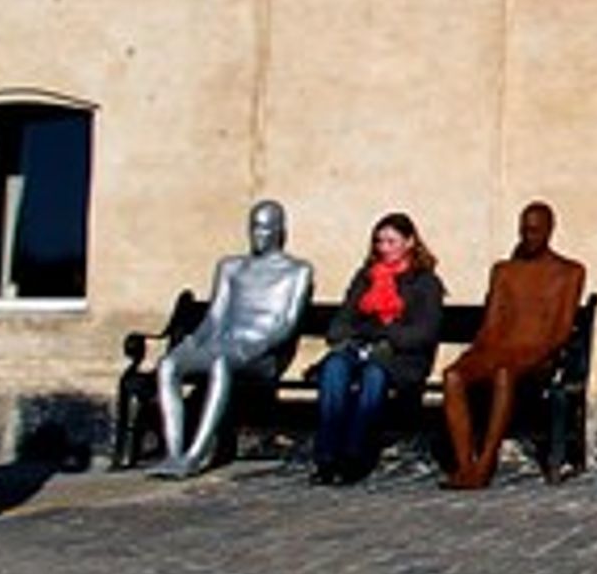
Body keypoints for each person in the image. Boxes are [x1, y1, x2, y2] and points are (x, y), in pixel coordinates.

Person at [147, 200, 315, 478]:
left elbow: (287, 324)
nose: (258, 235)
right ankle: (173, 452)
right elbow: (215, 316)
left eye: (265, 228)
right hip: (223, 345)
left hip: (263, 355)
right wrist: (192, 342)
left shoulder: (297, 271)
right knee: (168, 364)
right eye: (254, 227)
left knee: (220, 363)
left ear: (279, 230)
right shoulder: (231, 267)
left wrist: (254, 347)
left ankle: (195, 455)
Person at [439, 201, 588, 490]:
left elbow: (560, 331)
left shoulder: (569, 272)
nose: (528, 237)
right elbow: (491, 324)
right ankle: (465, 465)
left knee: (505, 374)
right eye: (524, 230)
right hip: (499, 349)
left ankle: (485, 464)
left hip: (536, 356)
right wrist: (475, 354)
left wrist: (534, 356)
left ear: (549, 231)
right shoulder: (504, 271)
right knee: (453, 375)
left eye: (534, 231)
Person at [310, 211, 445, 484]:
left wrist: (385, 334)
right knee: (334, 367)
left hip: (402, 357)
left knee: (375, 373)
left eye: (391, 241)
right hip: (359, 348)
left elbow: (424, 333)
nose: (384, 248)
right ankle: (326, 456)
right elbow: (339, 325)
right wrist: (363, 334)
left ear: (409, 242)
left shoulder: (425, 282)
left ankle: (354, 455)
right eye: (379, 242)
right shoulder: (366, 277)